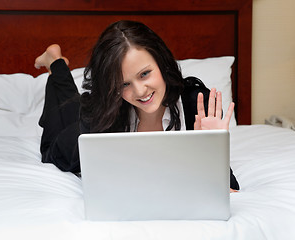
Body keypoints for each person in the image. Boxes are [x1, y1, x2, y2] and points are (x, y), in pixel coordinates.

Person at [34, 20, 240, 191]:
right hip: (89, 123)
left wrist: (213, 150)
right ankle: (55, 62)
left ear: (161, 62)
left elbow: (230, 190)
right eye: (124, 84)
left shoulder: (199, 106)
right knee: (59, 131)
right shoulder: (101, 115)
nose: (141, 91)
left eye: (144, 74)